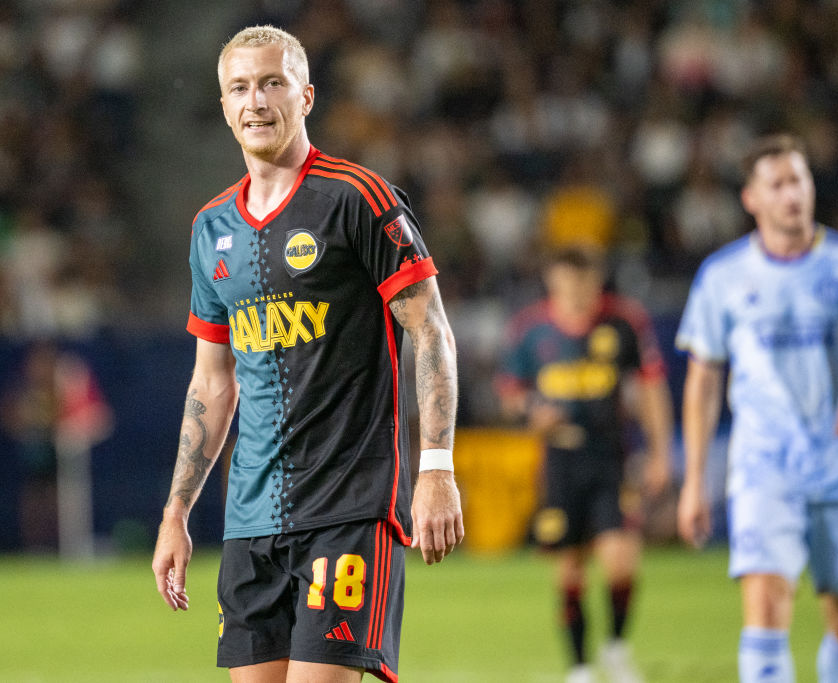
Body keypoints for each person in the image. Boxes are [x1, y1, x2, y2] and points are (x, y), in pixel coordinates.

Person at [151, 26, 463, 683]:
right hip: (250, 520)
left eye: (272, 83)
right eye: (239, 87)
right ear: (223, 105)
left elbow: (429, 328)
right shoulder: (212, 228)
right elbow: (213, 380)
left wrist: (436, 467)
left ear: (307, 96)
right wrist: (175, 512)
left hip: (349, 509)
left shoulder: (357, 198)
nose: (256, 101)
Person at [676, 133, 838, 683]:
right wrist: (694, 483)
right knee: (766, 611)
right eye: (776, 184)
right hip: (764, 468)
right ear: (751, 199)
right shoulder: (722, 276)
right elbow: (703, 382)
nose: (791, 194)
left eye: (798, 180)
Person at [497, 246, 673, 683]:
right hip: (559, 462)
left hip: (611, 459)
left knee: (620, 561)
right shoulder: (531, 330)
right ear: (552, 282)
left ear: (598, 281)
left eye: (585, 282)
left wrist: (659, 454)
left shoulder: (624, 322)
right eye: (568, 282)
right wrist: (531, 411)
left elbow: (651, 389)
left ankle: (614, 646)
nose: (577, 292)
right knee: (570, 567)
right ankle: (578, 668)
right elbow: (509, 393)